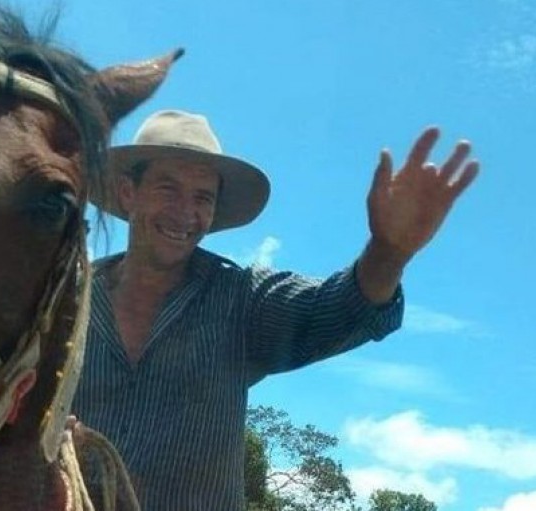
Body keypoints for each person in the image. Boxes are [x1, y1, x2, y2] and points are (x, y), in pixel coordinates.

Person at [71, 110, 479, 510]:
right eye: (167, 188)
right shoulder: (65, 301)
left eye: (202, 197)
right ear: (128, 193)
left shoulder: (241, 298)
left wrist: (389, 251)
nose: (185, 212)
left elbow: (341, 307)